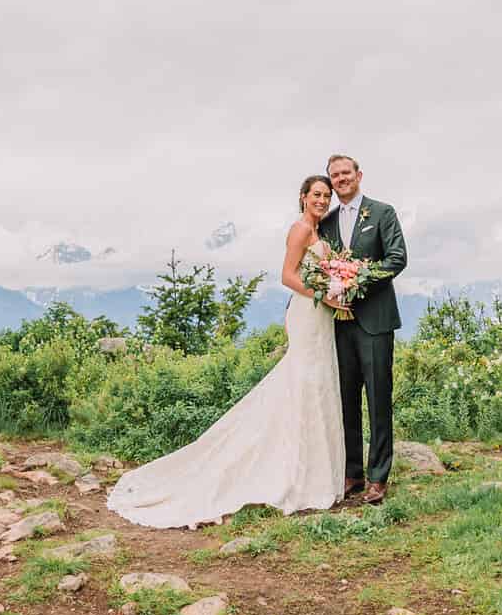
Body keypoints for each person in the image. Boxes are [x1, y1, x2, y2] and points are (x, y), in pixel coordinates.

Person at [105, 176, 345, 528]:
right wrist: (323, 293)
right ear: (303, 198)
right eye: (317, 195)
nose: (323, 200)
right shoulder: (299, 231)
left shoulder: (319, 233)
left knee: (318, 385)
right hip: (309, 312)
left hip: (321, 317)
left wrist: (337, 286)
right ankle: (294, 474)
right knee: (303, 383)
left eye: (327, 196)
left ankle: (316, 475)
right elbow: (287, 276)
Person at [318, 153, 407, 504]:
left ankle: (378, 477)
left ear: (359, 175)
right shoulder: (325, 222)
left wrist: (359, 280)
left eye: (346, 173)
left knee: (378, 398)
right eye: (335, 175)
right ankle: (352, 472)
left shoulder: (382, 213)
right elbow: (320, 266)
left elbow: (397, 259)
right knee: (346, 400)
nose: (341, 179)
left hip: (375, 320)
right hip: (339, 324)